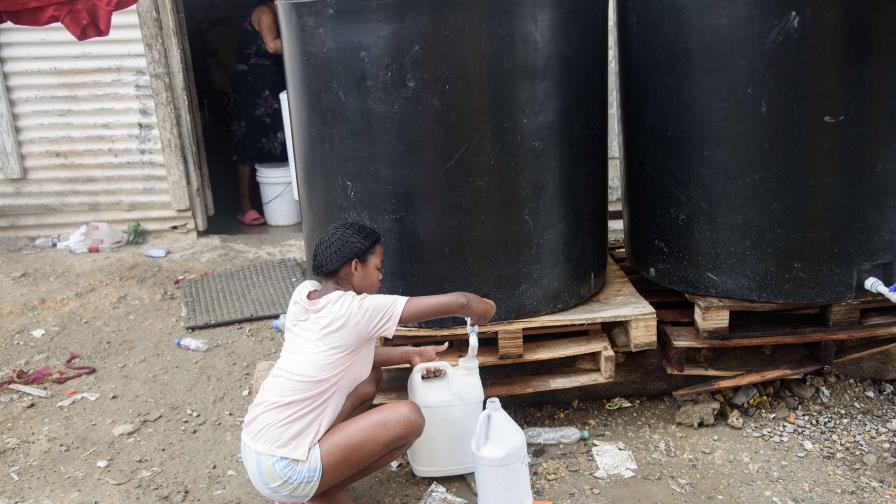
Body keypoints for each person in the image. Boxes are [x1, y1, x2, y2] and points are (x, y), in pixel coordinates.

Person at [240, 222, 496, 503]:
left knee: (368, 382)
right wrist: (484, 309)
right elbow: (461, 301)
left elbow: (343, 355)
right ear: (354, 267)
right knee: (408, 419)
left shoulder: (305, 295)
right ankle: (313, 492)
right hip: (283, 469)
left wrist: (411, 353)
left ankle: (319, 487)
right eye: (377, 266)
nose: (381, 275)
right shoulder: (357, 310)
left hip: (257, 446)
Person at [230, 0, 286, 226]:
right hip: (254, 88)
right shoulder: (266, 12)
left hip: (269, 88)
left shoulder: (280, 13)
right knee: (249, 142)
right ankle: (245, 206)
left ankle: (279, 200)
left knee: (276, 141)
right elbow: (272, 45)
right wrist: (303, 36)